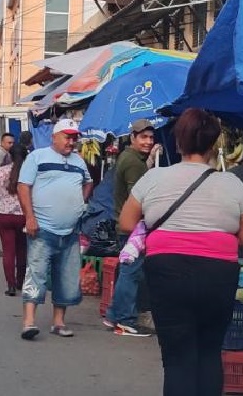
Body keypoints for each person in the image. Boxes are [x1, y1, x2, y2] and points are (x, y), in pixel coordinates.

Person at [119, 108, 243, 396]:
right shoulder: (233, 184)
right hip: (218, 274)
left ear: (178, 142)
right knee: (209, 352)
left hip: (166, 271)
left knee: (177, 359)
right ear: (214, 144)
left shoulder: (154, 178)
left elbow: (126, 223)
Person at [17, 118, 93, 340]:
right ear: (54, 137)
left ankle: (59, 322)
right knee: (36, 274)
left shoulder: (79, 161)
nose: (71, 142)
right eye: (67, 137)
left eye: (74, 138)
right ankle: (28, 322)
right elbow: (23, 186)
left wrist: (81, 201)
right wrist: (29, 217)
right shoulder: (37, 157)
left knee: (67, 278)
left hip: (70, 231)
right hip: (42, 229)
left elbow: (88, 182)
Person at [104, 119, 162, 336]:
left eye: (151, 137)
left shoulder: (131, 158)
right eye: (143, 137)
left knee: (128, 272)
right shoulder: (132, 162)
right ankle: (126, 320)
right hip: (133, 229)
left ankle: (113, 315)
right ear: (133, 138)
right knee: (131, 273)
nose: (148, 141)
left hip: (127, 226)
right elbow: (137, 197)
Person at [0, 144, 28, 296]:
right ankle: (20, 282)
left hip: (4, 215)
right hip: (24, 215)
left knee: (8, 251)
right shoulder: (29, 172)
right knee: (22, 250)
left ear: (9, 156)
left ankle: (10, 286)